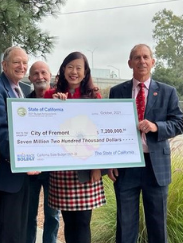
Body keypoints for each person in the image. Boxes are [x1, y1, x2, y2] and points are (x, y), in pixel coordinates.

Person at [108, 44, 183, 243]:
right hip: (126, 166)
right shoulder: (117, 92)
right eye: (136, 57)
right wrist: (110, 162)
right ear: (129, 63)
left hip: (156, 166)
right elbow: (109, 128)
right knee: (125, 226)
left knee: (157, 225)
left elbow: (179, 124)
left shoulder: (168, 92)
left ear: (153, 62)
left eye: (145, 57)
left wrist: (156, 127)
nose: (141, 61)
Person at [43, 51, 106, 243]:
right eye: (70, 67)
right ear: (63, 70)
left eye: (79, 68)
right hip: (62, 169)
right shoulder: (50, 95)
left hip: (86, 169)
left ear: (85, 72)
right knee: (69, 223)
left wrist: (98, 166)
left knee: (83, 223)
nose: (74, 72)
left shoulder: (94, 96)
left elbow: (101, 133)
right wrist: (54, 108)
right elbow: (44, 130)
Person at [0, 46, 38, 243]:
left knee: (21, 231)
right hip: (9, 174)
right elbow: (0, 133)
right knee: (10, 233)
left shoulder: (22, 90)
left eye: (25, 62)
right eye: (17, 62)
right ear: (5, 65)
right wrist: (25, 160)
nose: (22, 66)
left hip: (23, 175)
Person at [25, 61, 60, 243]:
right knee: (28, 215)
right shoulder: (22, 103)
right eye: (36, 74)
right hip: (30, 168)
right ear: (30, 78)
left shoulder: (61, 99)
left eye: (43, 73)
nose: (40, 77)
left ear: (50, 75)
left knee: (53, 215)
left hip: (54, 168)